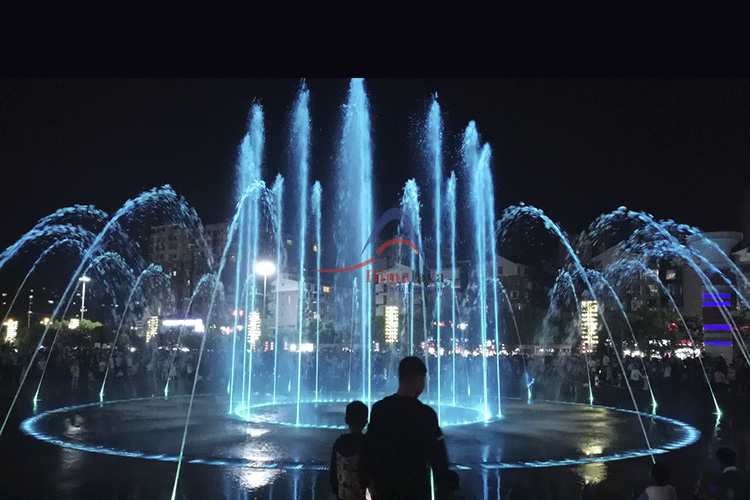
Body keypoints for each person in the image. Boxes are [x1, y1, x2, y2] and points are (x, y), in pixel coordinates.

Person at [360, 356, 460, 500]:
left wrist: (364, 483)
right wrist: (445, 490)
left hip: (384, 488)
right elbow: (439, 459)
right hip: (416, 489)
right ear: (420, 380)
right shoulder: (426, 414)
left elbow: (368, 449)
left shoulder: (380, 409)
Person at [330, 401, 368, 500]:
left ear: (346, 420)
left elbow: (333, 472)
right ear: (365, 422)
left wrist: (337, 492)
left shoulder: (339, 443)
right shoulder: (367, 443)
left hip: (342, 496)